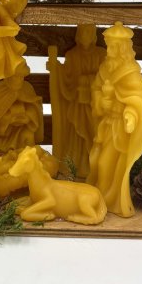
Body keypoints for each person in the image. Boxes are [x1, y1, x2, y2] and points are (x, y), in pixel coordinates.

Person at [86, 22, 142, 217]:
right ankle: (101, 198)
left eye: (113, 47)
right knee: (98, 162)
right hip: (107, 125)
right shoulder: (105, 67)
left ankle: (109, 200)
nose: (109, 51)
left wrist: (131, 116)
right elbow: (96, 88)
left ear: (123, 48)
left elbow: (137, 98)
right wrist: (100, 101)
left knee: (106, 164)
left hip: (120, 127)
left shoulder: (130, 72)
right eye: (108, 46)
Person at [48, 23, 105, 177]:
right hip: (77, 104)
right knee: (76, 133)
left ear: (93, 36)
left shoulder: (101, 55)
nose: (85, 36)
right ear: (78, 36)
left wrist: (88, 80)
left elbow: (105, 77)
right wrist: (56, 68)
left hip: (95, 105)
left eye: (89, 32)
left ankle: (94, 167)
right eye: (83, 32)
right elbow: (67, 77)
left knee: (94, 133)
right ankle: (74, 166)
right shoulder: (72, 55)